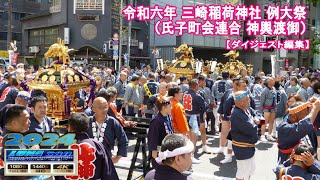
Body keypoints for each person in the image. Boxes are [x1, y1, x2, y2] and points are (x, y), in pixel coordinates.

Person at [65, 112, 119, 180]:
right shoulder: (97, 145)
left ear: (70, 128)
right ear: (87, 127)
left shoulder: (62, 146)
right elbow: (108, 173)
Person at [87, 97, 128, 164]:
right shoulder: (87, 121)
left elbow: (123, 139)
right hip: (88, 159)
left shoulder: (113, 122)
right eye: (101, 107)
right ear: (93, 109)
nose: (104, 110)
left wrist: (117, 158)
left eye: (106, 107)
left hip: (107, 159)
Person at [230, 91, 259, 180]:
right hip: (242, 147)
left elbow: (257, 114)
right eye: (247, 99)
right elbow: (251, 129)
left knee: (250, 169)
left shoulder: (247, 109)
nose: (249, 101)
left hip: (249, 146)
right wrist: (256, 123)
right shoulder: (237, 114)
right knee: (242, 171)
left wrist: (257, 119)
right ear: (241, 102)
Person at [0, 105, 32, 179]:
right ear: (14, 123)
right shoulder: (10, 141)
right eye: (26, 119)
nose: (29, 122)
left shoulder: (14, 136)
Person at [183, 79, 209, 161]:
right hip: (194, 117)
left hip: (186, 116)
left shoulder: (184, 94)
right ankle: (191, 156)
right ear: (196, 86)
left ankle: (188, 154)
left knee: (189, 136)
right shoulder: (197, 96)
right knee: (194, 137)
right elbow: (204, 105)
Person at [148, 96, 174, 169]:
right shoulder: (156, 121)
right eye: (170, 106)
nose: (171, 107)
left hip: (168, 150)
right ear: (163, 107)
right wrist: (155, 157)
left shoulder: (167, 116)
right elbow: (153, 139)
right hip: (160, 153)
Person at [260, 77, 277, 142]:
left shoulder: (274, 89)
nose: (273, 81)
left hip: (273, 108)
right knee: (264, 122)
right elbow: (261, 100)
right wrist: (261, 109)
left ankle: (269, 135)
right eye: (272, 80)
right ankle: (262, 135)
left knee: (271, 122)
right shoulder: (265, 90)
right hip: (266, 108)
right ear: (268, 82)